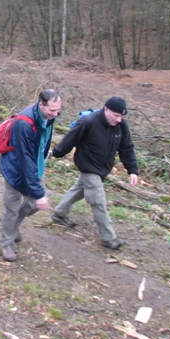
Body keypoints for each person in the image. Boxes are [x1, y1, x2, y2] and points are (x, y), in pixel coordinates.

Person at [51, 97, 139, 250]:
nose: (119, 119)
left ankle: (59, 213)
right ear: (106, 109)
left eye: (121, 116)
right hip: (88, 166)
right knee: (98, 200)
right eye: (116, 115)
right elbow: (69, 139)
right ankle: (108, 237)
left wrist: (132, 170)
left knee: (80, 190)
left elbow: (127, 148)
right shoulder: (88, 121)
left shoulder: (121, 126)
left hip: (103, 168)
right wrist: (56, 153)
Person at [0, 89, 62, 262]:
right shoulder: (24, 124)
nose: (56, 114)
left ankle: (12, 227)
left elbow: (40, 147)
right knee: (12, 207)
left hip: (34, 166)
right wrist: (39, 192)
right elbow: (25, 160)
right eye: (52, 110)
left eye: (58, 110)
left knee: (33, 204)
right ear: (41, 104)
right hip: (15, 170)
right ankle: (6, 243)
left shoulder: (48, 117)